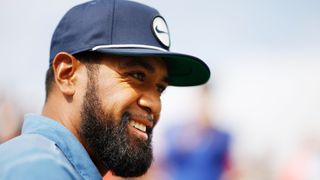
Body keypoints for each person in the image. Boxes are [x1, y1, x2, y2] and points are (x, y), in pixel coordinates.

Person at [0, 0, 210, 179]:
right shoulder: (37, 169)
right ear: (67, 75)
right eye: (137, 75)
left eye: (160, 88)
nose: (155, 103)